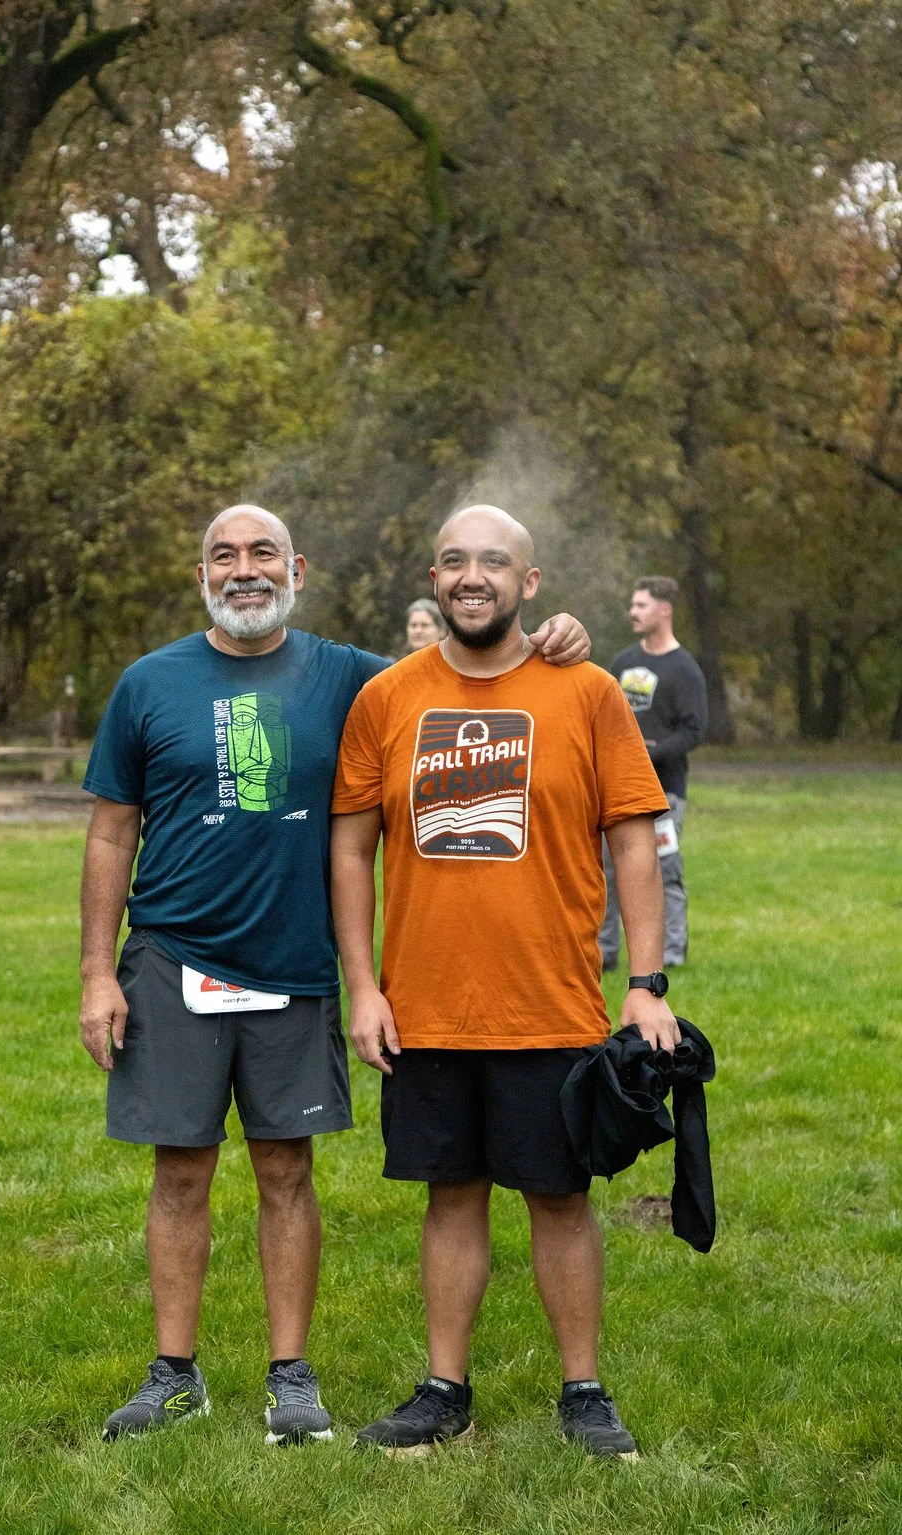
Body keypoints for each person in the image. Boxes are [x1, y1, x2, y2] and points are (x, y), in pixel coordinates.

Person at [78, 502, 591, 1443]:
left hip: (297, 962)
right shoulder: (148, 683)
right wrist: (95, 972)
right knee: (180, 1171)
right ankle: (174, 1374)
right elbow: (112, 832)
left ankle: (292, 1375)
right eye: (223, 555)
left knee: (286, 1168)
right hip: (169, 958)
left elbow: (471, 667)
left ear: (297, 570)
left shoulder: (357, 677)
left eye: (262, 552)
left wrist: (554, 635)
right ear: (202, 575)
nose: (243, 569)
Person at [330, 504, 679, 1460]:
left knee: (560, 1196)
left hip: (550, 1002)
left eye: (492, 561)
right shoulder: (388, 697)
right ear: (434, 580)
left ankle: (584, 1391)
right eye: (453, 561)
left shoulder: (588, 691)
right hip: (426, 1005)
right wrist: (363, 985)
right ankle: (444, 1390)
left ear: (529, 583)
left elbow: (635, 843)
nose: (470, 575)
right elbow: (350, 848)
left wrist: (646, 982)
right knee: (450, 1194)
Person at [599, 576, 708, 971]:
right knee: (607, 872)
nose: (633, 612)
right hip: (617, 791)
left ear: (665, 610)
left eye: (641, 605)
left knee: (665, 870)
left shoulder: (684, 669)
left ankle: (671, 953)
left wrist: (653, 753)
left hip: (665, 792)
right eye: (633, 605)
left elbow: (694, 730)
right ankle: (604, 952)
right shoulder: (624, 663)